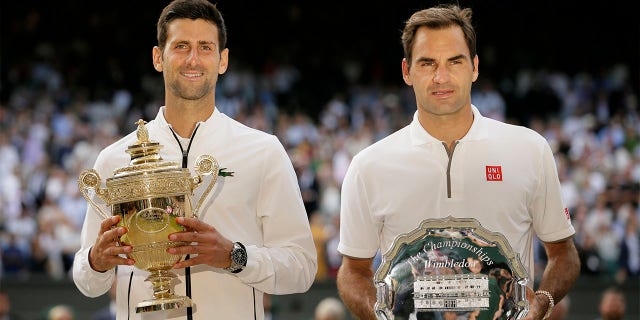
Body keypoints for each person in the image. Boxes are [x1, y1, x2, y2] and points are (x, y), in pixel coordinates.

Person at [72, 1, 317, 319]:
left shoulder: (264, 151)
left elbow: (302, 267)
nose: (192, 59)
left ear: (222, 60)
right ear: (158, 58)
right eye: (181, 46)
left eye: (205, 47)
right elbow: (86, 281)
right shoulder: (115, 158)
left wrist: (234, 256)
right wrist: (96, 259)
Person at [335, 4, 580, 320]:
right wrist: (383, 315)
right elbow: (352, 270)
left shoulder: (530, 149)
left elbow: (563, 253)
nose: (441, 77)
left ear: (475, 67)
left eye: (455, 61)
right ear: (407, 71)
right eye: (427, 63)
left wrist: (542, 302)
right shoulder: (368, 165)